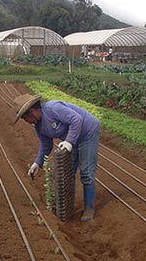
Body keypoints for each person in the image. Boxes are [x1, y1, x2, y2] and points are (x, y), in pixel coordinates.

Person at [12, 93, 101, 222]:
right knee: (68, 173)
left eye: (26, 118)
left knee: (86, 172)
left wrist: (69, 141)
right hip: (73, 137)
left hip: (88, 132)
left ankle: (89, 208)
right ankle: (69, 207)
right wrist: (37, 163)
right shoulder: (39, 126)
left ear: (32, 112)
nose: (27, 122)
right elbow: (46, 145)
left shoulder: (53, 109)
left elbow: (76, 119)